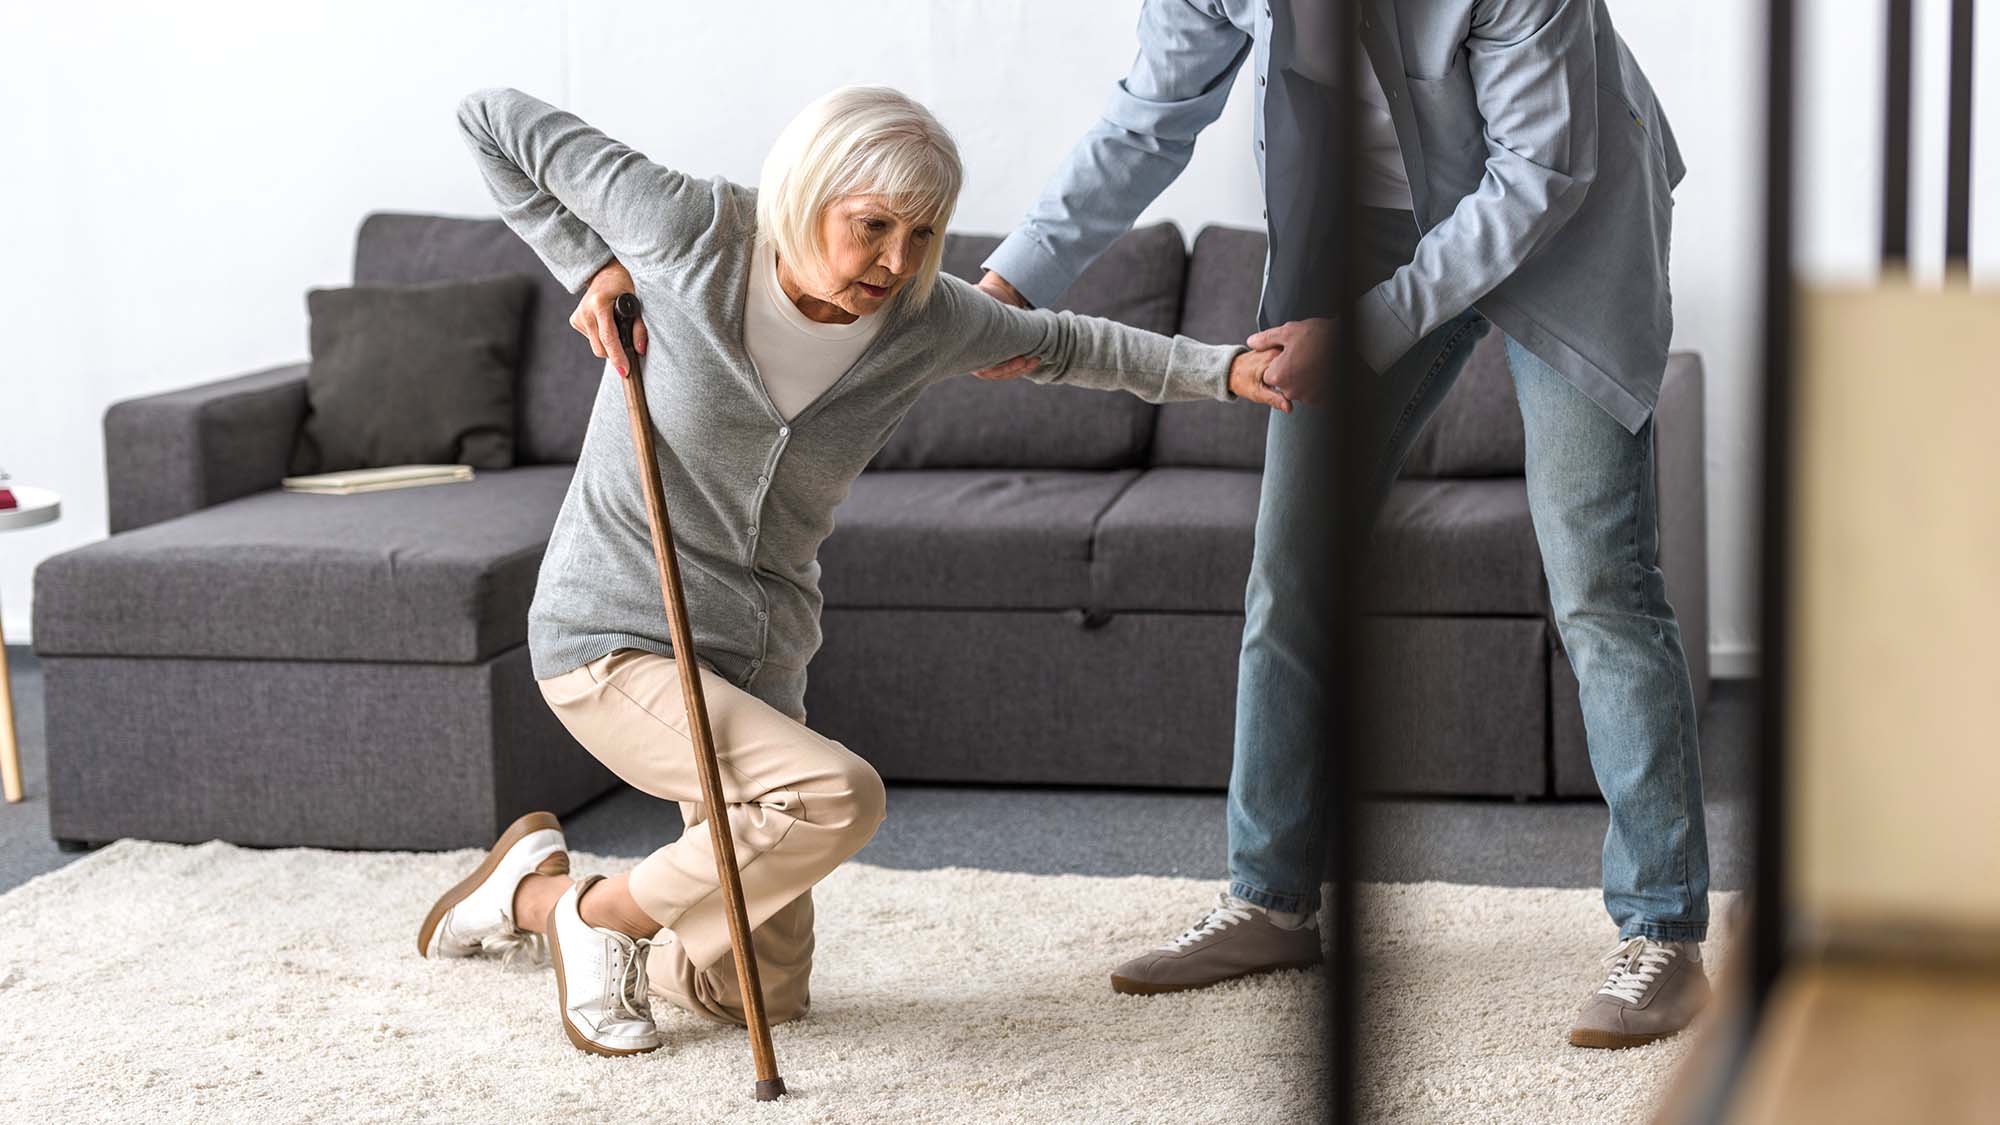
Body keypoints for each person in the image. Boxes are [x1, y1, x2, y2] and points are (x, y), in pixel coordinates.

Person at [417, 84, 1290, 1057]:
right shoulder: (691, 232)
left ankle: (534, 897)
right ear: (807, 193)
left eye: (922, 234)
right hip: (615, 638)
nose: (897, 261)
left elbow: (1063, 344)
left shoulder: (919, 318)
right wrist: (592, 265)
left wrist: (1225, 372)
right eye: (872, 225)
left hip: (755, 660)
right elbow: (490, 120)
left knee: (752, 996)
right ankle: (602, 916)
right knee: (832, 796)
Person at [963, 0, 1710, 1049]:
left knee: (1597, 582)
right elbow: (1151, 115)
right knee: (1293, 569)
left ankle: (1661, 929)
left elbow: (1536, 174)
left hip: (1563, 208)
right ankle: (1269, 901)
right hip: (1365, 220)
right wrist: (1009, 282)